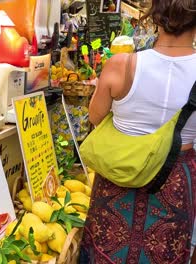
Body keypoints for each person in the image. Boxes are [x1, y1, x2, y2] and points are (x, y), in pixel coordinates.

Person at [79, 0, 196, 262]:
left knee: (107, 250)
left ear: (154, 15)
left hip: (118, 172)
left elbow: (95, 116)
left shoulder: (122, 65)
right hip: (174, 178)